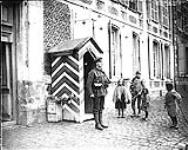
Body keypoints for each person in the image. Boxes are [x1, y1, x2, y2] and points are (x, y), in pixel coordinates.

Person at [86, 57, 110, 130]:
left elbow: (107, 81)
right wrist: (91, 93)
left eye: (101, 65)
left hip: (103, 92)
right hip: (96, 92)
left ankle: (101, 122)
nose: (100, 67)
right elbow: (88, 84)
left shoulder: (103, 73)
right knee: (96, 108)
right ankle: (97, 124)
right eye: (98, 66)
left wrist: (107, 82)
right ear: (95, 65)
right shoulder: (92, 72)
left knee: (101, 108)